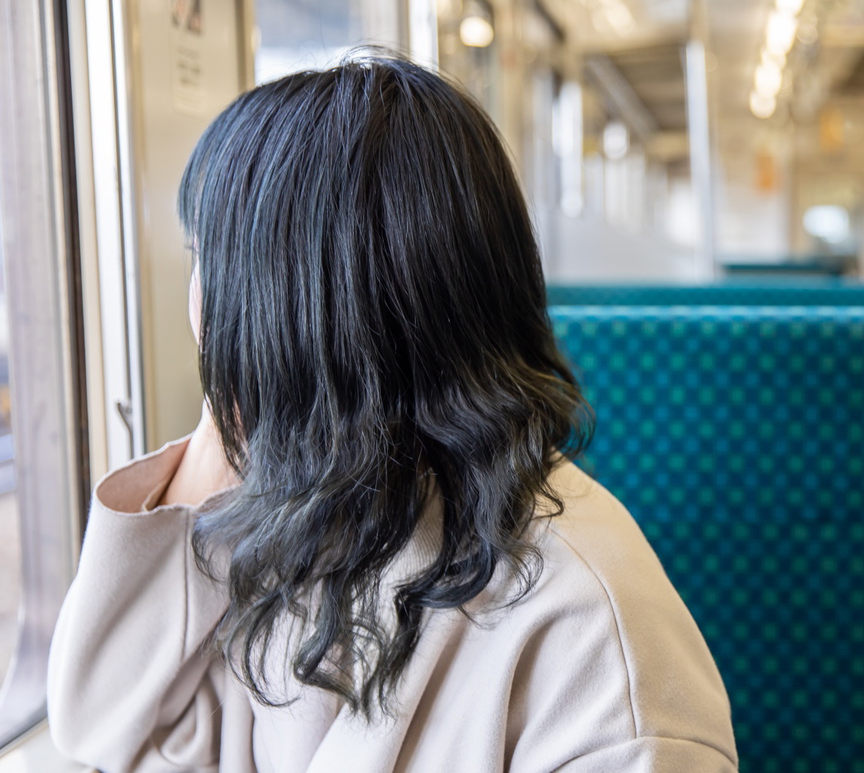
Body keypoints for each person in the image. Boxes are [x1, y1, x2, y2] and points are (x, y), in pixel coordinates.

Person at [47, 54, 737, 773]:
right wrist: (230, 415)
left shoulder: (590, 639)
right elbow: (104, 727)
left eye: (209, 266)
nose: (200, 309)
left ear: (294, 307)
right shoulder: (314, 513)